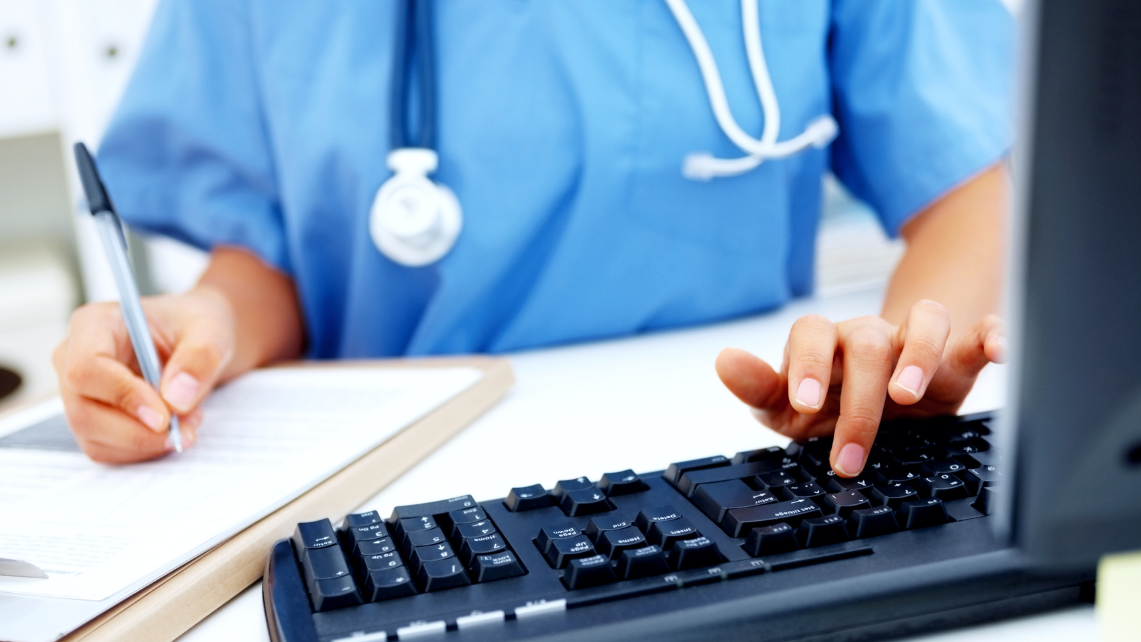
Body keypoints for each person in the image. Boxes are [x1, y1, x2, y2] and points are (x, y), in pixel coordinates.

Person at [53, 0, 1014, 476]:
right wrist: (199, 323)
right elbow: (271, 260)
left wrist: (898, 360)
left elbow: (968, 189)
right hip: (407, 488)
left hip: (759, 457)